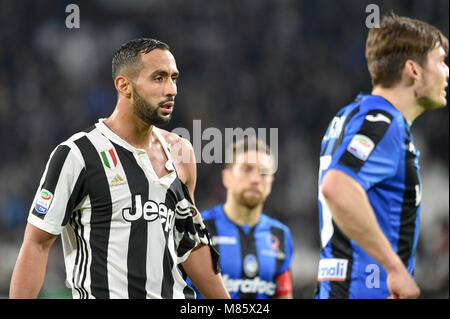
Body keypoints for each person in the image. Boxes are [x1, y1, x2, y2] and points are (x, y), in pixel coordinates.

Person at [9, 38, 230, 299]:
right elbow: (37, 244)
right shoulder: (78, 154)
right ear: (124, 85)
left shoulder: (181, 153)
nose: (171, 89)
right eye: (159, 78)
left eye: (174, 78)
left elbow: (190, 244)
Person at [316, 14, 448, 299]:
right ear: (413, 70)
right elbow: (336, 186)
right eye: (440, 60)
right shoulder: (384, 123)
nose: (446, 71)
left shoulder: (349, 116)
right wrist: (396, 270)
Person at [187, 137, 294, 299]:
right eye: (246, 169)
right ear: (226, 177)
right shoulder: (199, 227)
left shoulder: (281, 235)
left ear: (271, 181)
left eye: (264, 172)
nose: (256, 179)